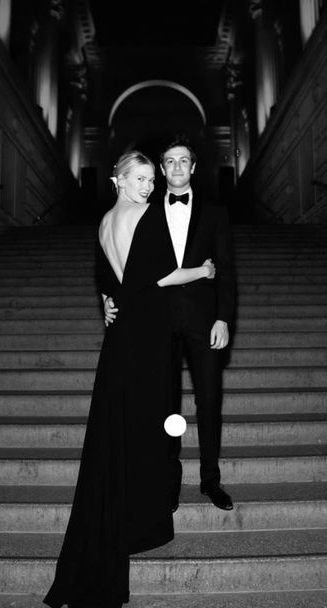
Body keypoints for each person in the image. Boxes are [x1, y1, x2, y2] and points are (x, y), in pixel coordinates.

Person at [43, 150, 216, 608]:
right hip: (149, 336)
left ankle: (122, 517)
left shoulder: (103, 223)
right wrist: (202, 270)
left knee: (121, 427)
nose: (147, 186)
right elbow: (161, 277)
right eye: (138, 178)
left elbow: (114, 278)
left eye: (148, 179)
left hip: (121, 337)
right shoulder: (147, 215)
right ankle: (143, 523)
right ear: (118, 180)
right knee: (148, 425)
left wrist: (107, 300)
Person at [105, 137, 236, 513]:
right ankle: (167, 483)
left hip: (203, 321)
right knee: (164, 404)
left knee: (209, 401)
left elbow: (226, 271)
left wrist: (224, 318)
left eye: (183, 161)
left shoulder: (215, 213)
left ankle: (210, 480)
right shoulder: (142, 213)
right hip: (155, 322)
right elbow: (126, 266)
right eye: (170, 162)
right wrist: (108, 296)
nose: (177, 167)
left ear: (193, 168)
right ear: (161, 170)